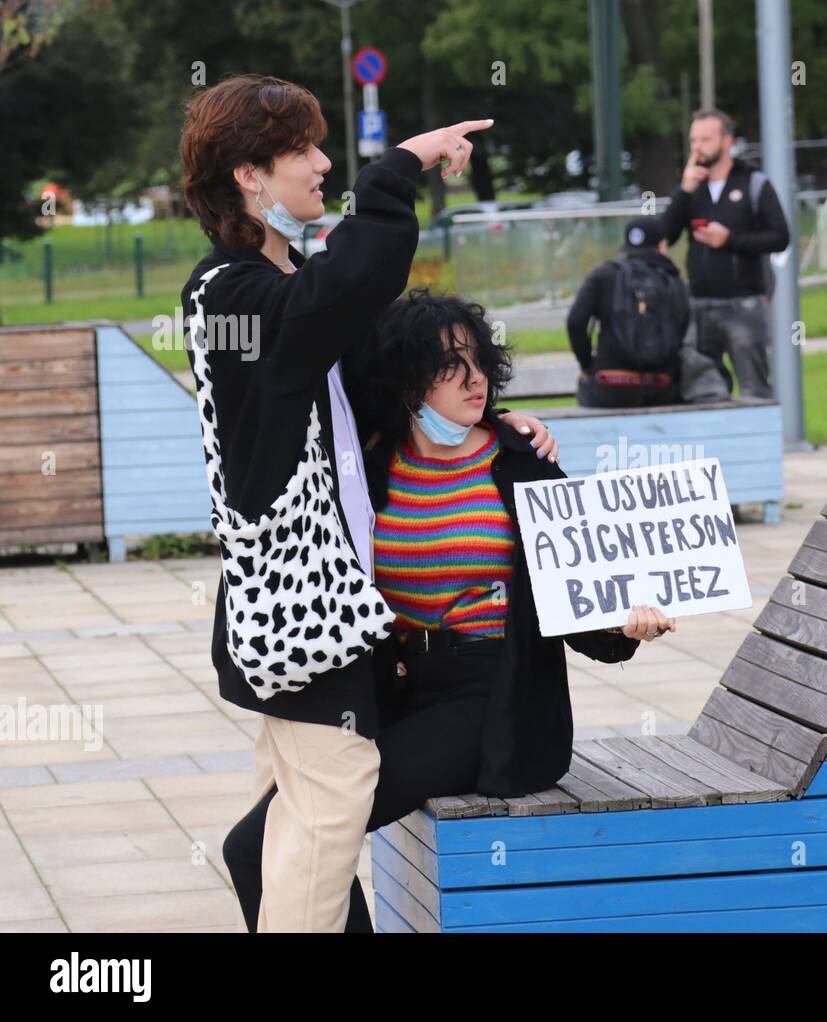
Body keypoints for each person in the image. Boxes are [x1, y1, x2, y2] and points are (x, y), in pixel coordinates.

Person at [179, 73, 556, 933]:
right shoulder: (230, 295)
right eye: (303, 153)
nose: (322, 166)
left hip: (340, 615)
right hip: (301, 616)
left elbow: (378, 391)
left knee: (279, 834)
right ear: (248, 175)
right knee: (323, 819)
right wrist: (397, 172)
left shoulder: (284, 283)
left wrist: (494, 423)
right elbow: (346, 289)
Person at [221, 288, 676, 932]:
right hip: (396, 693)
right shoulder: (372, 468)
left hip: (491, 699)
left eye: (478, 359)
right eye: (447, 365)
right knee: (251, 846)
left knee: (298, 832)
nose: (474, 378)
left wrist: (624, 624)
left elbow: (580, 597)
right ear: (406, 382)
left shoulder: (520, 463)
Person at [659, 108, 790, 399]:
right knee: (702, 389)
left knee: (754, 388)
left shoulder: (754, 183)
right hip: (699, 304)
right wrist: (683, 191)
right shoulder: (692, 188)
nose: (697, 147)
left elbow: (781, 237)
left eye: (705, 139)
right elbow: (665, 235)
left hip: (743, 304)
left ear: (726, 141)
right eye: (693, 140)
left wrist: (730, 239)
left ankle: (758, 441)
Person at [566, 216, 690, 408]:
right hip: (662, 389)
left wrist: (587, 365)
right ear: (662, 245)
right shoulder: (674, 282)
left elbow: (576, 321)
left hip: (610, 387)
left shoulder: (603, 274)